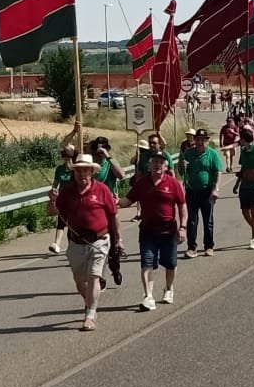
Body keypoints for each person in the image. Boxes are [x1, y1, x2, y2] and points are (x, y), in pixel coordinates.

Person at [53, 153, 121, 331]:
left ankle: (90, 314)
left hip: (99, 240)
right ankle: (89, 301)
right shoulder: (67, 191)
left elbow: (113, 216)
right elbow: (53, 212)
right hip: (75, 242)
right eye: (78, 171)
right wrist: (52, 200)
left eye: (85, 171)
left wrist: (117, 240)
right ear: (74, 172)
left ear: (92, 172)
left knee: (94, 276)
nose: (82, 175)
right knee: (79, 280)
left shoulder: (102, 190)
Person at [124, 151, 186, 309]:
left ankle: (169, 288)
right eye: (155, 162)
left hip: (168, 230)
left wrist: (183, 227)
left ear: (165, 166)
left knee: (170, 264)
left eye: (161, 162)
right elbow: (127, 201)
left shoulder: (173, 183)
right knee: (147, 263)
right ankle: (148, 296)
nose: (157, 165)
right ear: (149, 165)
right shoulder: (142, 183)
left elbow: (182, 205)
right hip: (148, 230)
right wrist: (113, 201)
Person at [178, 128, 224, 256]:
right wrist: (182, 167)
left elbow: (218, 171)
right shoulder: (188, 153)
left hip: (207, 191)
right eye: (198, 139)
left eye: (203, 140)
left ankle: (209, 246)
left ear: (207, 141)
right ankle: (192, 247)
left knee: (207, 219)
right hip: (191, 191)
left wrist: (216, 189)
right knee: (192, 219)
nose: (200, 142)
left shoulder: (212, 154)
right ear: (195, 140)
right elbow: (181, 172)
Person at [47, 142, 78, 253]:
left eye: (68, 156)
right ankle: (57, 244)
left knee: (72, 223)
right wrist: (54, 190)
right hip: (63, 198)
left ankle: (72, 245)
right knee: (61, 221)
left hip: (74, 198)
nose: (66, 158)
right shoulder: (59, 169)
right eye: (64, 156)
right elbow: (55, 183)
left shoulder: (76, 169)